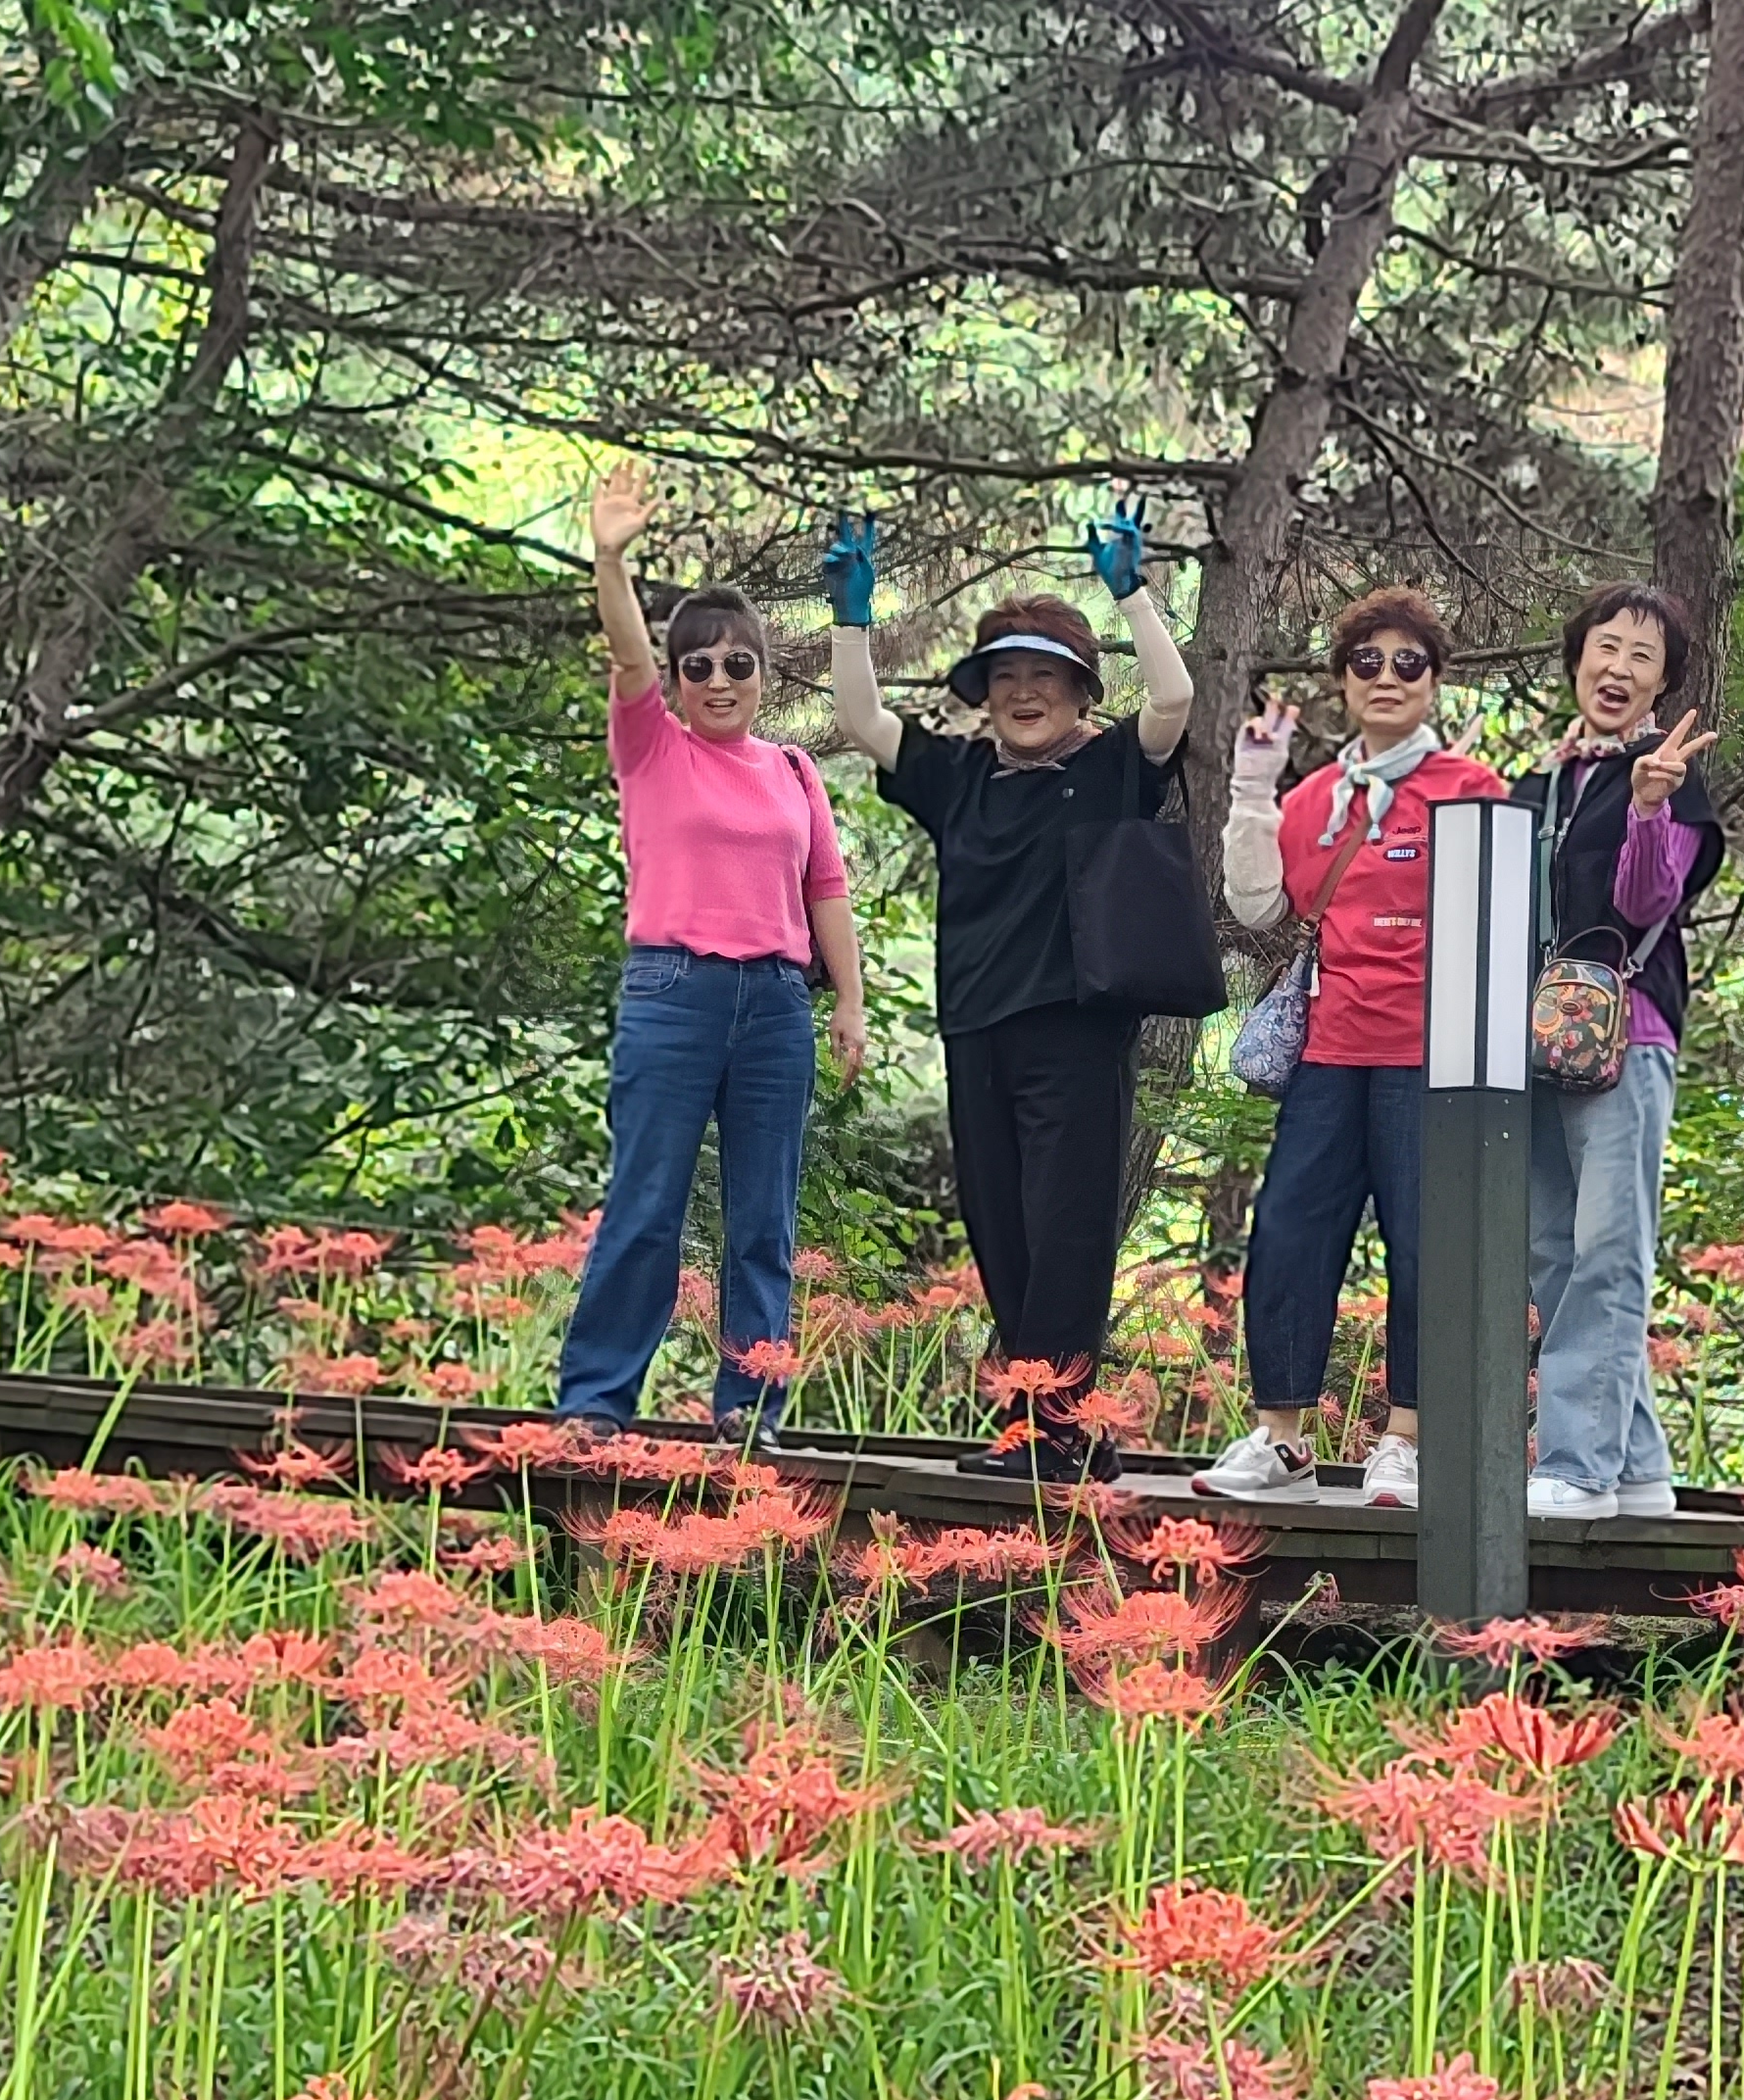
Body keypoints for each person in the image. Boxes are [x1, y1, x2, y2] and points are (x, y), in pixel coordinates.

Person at [822, 503, 1195, 1479]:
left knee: (1068, 1228)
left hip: (1077, 1034)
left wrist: (1132, 595)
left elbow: (1173, 699)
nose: (1025, 693)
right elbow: (864, 722)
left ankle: (1053, 1429)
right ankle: (1058, 1427)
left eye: (1046, 675)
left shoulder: (1110, 767)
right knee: (1003, 1232)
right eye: (1006, 676)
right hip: (977, 1031)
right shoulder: (961, 778)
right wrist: (852, 619)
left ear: (1079, 690)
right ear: (984, 693)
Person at [556, 464, 869, 1443]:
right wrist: (610, 559)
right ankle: (597, 1400)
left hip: (775, 1005)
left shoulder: (793, 770)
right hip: (674, 992)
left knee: (764, 1217)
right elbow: (627, 652)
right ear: (679, 679)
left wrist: (850, 1002)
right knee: (646, 1202)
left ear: (764, 674)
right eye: (700, 666)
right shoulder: (653, 745)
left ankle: (751, 1407)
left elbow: (825, 888)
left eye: (739, 664)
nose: (720, 681)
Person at [1190, 587, 1511, 1507]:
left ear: (1435, 680)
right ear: (1342, 680)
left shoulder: (1470, 788)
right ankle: (1281, 1440)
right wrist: (1253, 791)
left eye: (1410, 662)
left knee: (1423, 1246)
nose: (1387, 677)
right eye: (1367, 661)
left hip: (1434, 1060)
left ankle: (1404, 1442)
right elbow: (1258, 907)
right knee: (1291, 1232)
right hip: (1330, 1052)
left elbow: (1503, 921)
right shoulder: (1317, 799)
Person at [1507, 584, 1723, 1520]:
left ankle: (1580, 1467)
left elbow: (1646, 903)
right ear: (1577, 660)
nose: (1619, 668)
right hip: (1534, 1041)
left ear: (1663, 682)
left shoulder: (1666, 775)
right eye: (1607, 647)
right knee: (1552, 1249)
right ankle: (1636, 1466)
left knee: (1607, 1246)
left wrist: (1646, 807)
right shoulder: (1541, 782)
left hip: (1627, 1037)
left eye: (1643, 656)